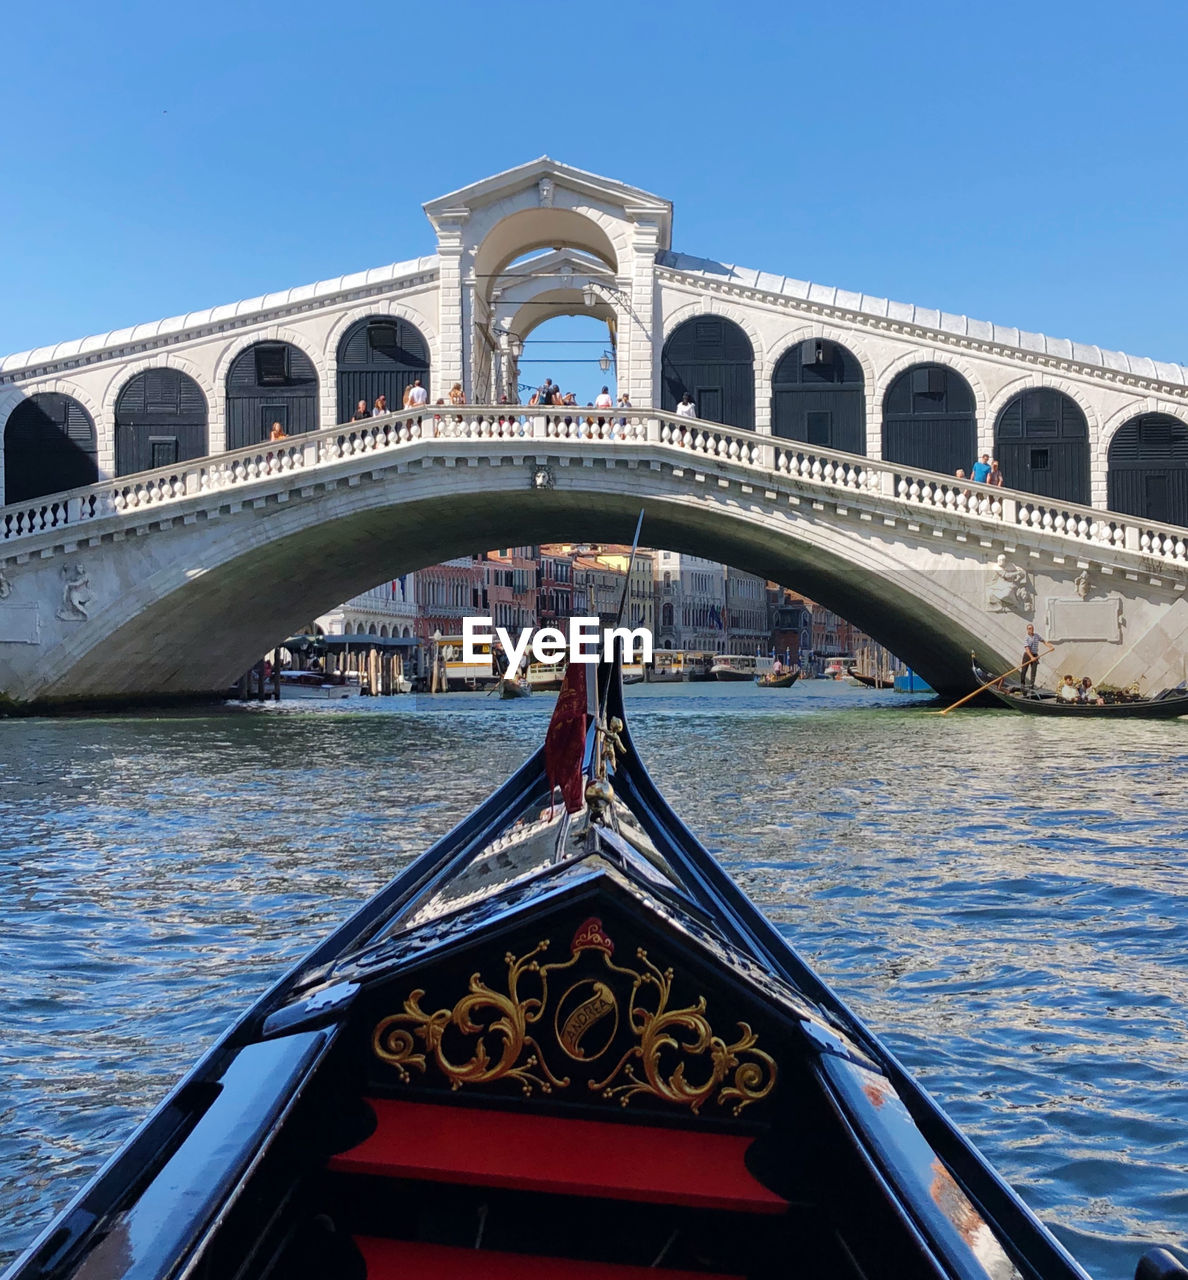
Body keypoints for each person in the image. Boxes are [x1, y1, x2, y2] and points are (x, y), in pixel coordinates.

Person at [1020, 624, 1045, 690]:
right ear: (1027, 629)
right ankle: (1022, 684)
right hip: (1027, 655)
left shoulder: (1036, 636)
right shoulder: (1026, 637)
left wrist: (1049, 646)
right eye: (1030, 628)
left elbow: (1043, 640)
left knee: (1034, 671)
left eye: (1032, 628)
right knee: (1024, 670)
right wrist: (1031, 657)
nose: (1031, 629)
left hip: (1035, 655)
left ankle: (1032, 684)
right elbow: (1027, 649)